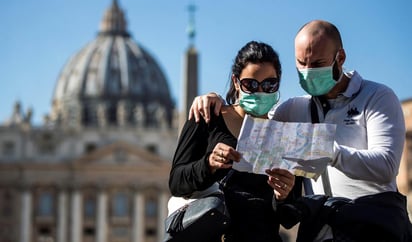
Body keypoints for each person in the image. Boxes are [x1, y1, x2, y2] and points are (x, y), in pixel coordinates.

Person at [188, 20, 408, 241]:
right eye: (301, 63)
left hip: (371, 227)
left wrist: (329, 151)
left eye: (317, 63)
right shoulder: (293, 109)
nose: (308, 72)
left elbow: (386, 166)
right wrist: (214, 100)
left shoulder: (377, 96)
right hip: (319, 231)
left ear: (340, 58)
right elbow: (253, 124)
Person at [169, 41, 298, 242]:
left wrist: (284, 195)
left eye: (269, 84)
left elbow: (289, 218)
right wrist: (209, 164)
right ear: (236, 82)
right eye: (251, 84)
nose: (260, 91)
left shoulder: (284, 134)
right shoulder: (207, 117)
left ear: (278, 84)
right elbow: (177, 182)